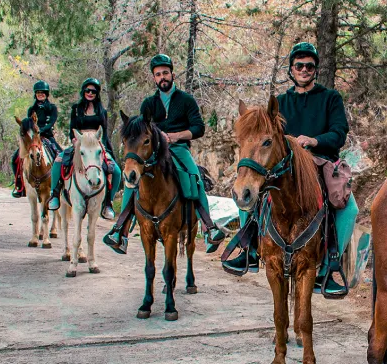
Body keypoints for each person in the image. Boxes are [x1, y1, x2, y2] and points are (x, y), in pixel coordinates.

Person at [224, 42, 358, 295]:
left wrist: (314, 140)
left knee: (349, 208)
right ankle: (249, 249)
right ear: (292, 69)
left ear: (315, 70)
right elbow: (266, 137)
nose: (304, 69)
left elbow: (339, 132)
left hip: (321, 160)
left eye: (309, 66)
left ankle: (330, 264)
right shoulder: (281, 102)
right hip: (285, 165)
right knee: (248, 196)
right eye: (299, 65)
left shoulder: (330, 98)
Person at [102, 54, 225, 254]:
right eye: (158, 74)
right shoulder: (148, 104)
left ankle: (209, 227)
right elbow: (142, 132)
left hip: (178, 148)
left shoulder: (186, 100)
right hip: (153, 152)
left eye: (165, 73)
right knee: (132, 181)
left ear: (172, 74)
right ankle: (120, 230)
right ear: (154, 78)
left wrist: (175, 136)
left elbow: (199, 128)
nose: (162, 77)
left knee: (194, 176)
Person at [47, 78, 121, 219]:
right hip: (80, 143)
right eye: (88, 90)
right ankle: (55, 194)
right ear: (83, 91)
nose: (90, 93)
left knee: (116, 170)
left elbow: (104, 133)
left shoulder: (102, 111)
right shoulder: (76, 109)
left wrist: (102, 147)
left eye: (93, 91)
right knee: (58, 161)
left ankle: (108, 203)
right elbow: (72, 130)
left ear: (97, 93)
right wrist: (75, 141)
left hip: (96, 145)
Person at [12, 81, 62, 197]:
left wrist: (40, 130)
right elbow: (29, 124)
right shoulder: (31, 109)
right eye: (38, 93)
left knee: (61, 155)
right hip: (33, 138)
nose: (40, 94)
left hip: (47, 136)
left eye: (43, 93)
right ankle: (20, 185)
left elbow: (51, 123)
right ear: (35, 94)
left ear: (46, 94)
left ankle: (60, 185)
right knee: (15, 158)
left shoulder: (52, 108)